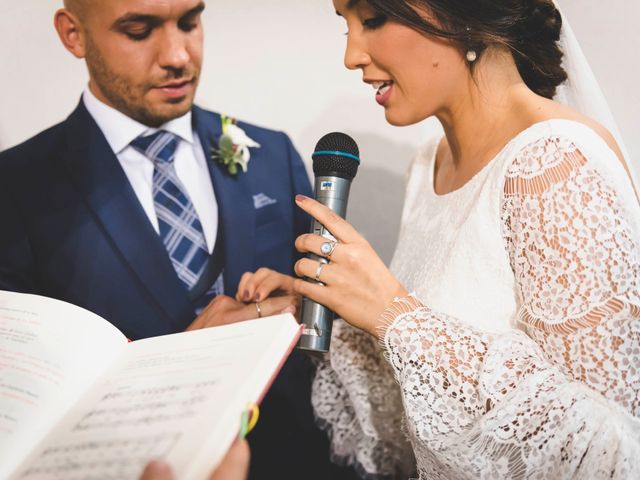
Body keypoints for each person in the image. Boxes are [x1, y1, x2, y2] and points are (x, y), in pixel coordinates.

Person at [238, 0, 640, 478]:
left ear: (458, 13)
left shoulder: (553, 162)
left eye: (371, 20)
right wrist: (337, 311)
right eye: (345, 27)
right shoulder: (428, 163)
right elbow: (428, 411)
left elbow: (614, 447)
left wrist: (396, 315)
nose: (351, 56)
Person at [0, 1, 357, 479]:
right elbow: (23, 400)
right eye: (139, 29)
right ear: (73, 34)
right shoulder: (16, 187)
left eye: (189, 22)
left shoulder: (272, 153)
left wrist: (303, 302)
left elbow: (324, 334)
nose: (178, 55)